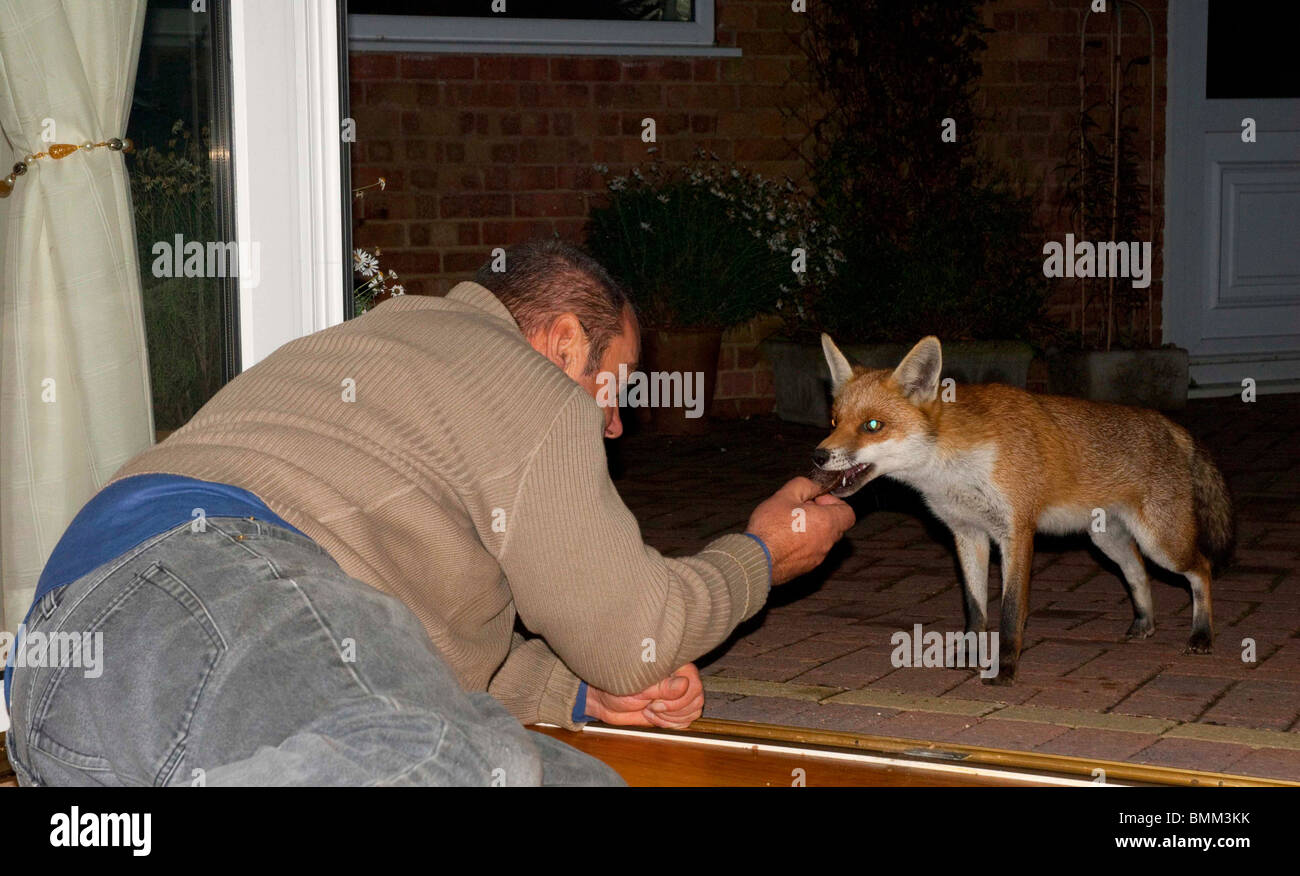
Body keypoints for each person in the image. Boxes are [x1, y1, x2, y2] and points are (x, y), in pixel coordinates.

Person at [4, 239, 855, 786]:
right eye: (614, 386)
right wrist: (760, 553)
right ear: (562, 342)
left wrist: (578, 696)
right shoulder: (520, 379)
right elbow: (637, 630)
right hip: (209, 581)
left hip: (70, 697)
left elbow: (370, 649)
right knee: (434, 764)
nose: (614, 423)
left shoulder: (375, 357)